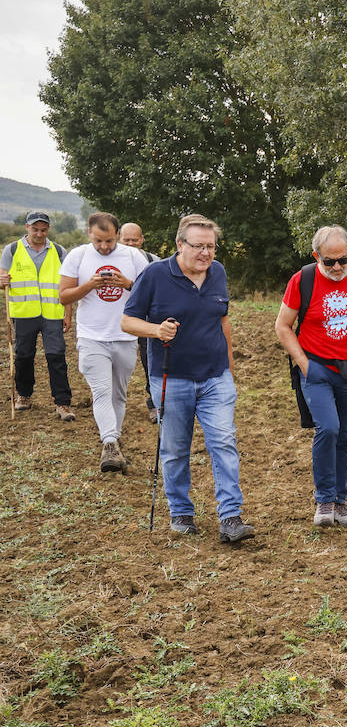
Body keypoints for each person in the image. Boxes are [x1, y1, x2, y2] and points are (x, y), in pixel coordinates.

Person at [121, 214, 254, 542]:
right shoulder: (154, 275)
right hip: (172, 378)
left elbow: (223, 321)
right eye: (199, 246)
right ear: (180, 245)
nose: (206, 253)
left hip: (215, 377)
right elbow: (127, 321)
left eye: (211, 246)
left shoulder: (218, 272)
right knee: (176, 447)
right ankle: (181, 512)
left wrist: (230, 371)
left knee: (223, 441)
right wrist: (156, 330)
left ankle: (230, 518)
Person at [274, 225, 347, 526]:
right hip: (317, 368)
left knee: (345, 436)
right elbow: (283, 325)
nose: (336, 267)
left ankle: (340, 502)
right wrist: (304, 364)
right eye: (328, 261)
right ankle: (324, 501)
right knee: (329, 429)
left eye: (342, 260)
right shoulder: (303, 280)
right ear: (315, 256)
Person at [57, 212, 149, 472]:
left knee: (119, 394)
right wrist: (89, 285)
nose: (104, 247)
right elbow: (64, 297)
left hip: (124, 335)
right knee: (102, 391)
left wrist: (127, 283)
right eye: (99, 241)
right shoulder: (78, 256)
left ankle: (114, 441)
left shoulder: (133, 257)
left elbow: (148, 293)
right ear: (89, 234)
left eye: (109, 241)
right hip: (91, 336)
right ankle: (109, 443)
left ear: (117, 236)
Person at [0, 211, 75, 419]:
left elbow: (66, 287)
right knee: (23, 356)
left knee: (56, 356)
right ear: (27, 227)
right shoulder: (12, 250)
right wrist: (2, 282)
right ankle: (24, 395)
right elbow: (1, 279)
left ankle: (62, 403)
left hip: (53, 314)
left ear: (48, 229)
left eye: (43, 229)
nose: (39, 234)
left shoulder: (60, 252)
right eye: (35, 229)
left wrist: (68, 314)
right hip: (24, 314)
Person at [119, 222, 162, 424]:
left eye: (134, 240)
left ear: (142, 240)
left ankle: (155, 404)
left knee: (150, 363)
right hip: (118, 323)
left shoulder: (154, 262)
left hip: (145, 322)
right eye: (126, 240)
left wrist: (129, 284)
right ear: (119, 238)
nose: (130, 244)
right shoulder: (109, 261)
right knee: (117, 365)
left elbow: (160, 292)